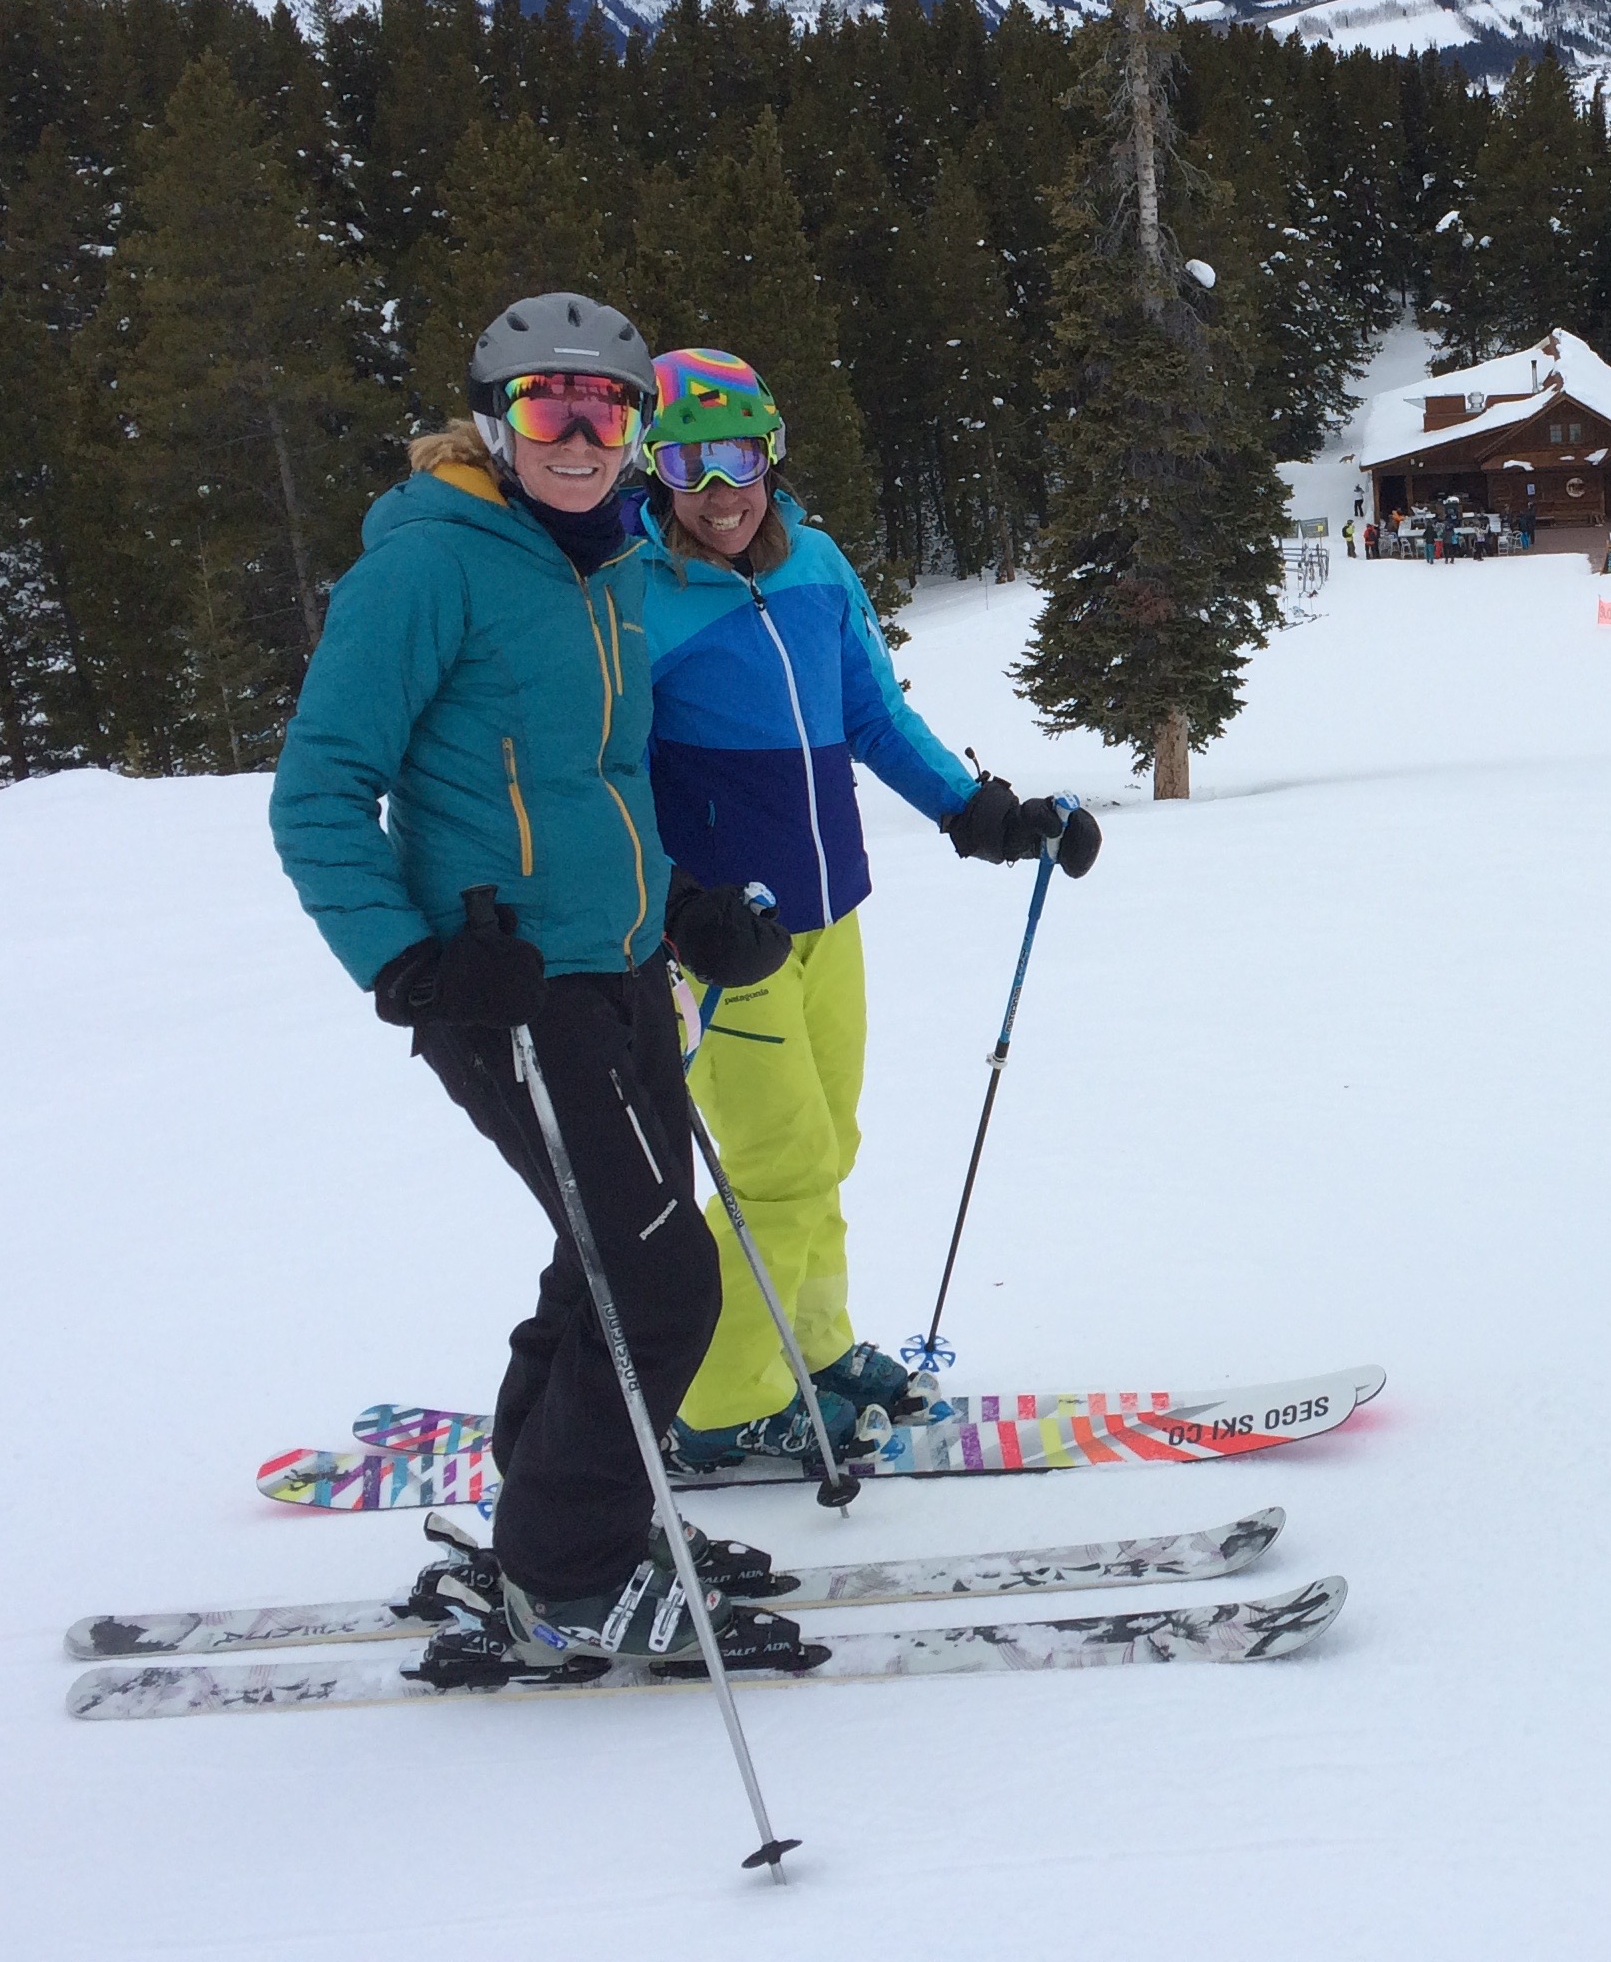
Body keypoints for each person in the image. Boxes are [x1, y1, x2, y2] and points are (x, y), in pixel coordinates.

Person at [270, 295, 804, 1670]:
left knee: (608, 1257)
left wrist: (685, 910)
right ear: (497, 423)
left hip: (621, 972)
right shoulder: (427, 569)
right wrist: (413, 968)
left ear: (638, 431)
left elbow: (606, 783)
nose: (577, 438)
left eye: (605, 412)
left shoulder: (613, 566)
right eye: (547, 410)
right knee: (663, 1281)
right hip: (508, 994)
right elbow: (321, 793)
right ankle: (566, 1583)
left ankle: (555, 1522)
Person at [632, 350, 1104, 1465]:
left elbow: (874, 716)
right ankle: (721, 1400)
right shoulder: (629, 593)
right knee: (779, 1161)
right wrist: (675, 904)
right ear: (653, 470)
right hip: (716, 945)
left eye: (737, 453)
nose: (719, 490)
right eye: (687, 463)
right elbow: (607, 776)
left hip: (825, 914)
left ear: (772, 449)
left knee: (826, 1144)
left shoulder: (818, 567)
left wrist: (979, 812)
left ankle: (817, 1345)